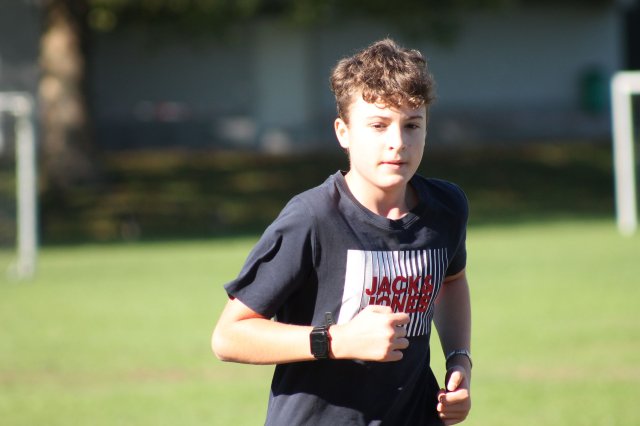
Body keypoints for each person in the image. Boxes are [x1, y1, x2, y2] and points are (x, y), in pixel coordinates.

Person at [212, 38, 472, 425]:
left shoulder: (446, 208)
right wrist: (336, 340)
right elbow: (229, 337)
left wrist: (459, 361)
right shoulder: (311, 218)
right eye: (378, 125)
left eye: (412, 125)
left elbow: (452, 281)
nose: (397, 142)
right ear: (343, 132)